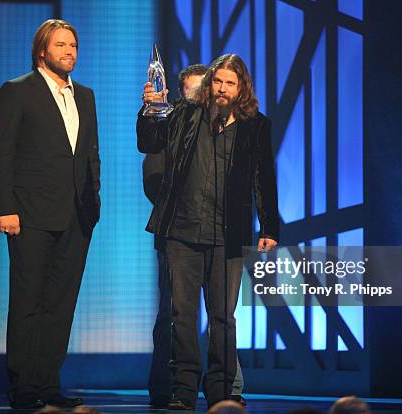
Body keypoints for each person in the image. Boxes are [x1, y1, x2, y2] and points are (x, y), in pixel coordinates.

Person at [137, 54, 279, 410]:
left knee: (223, 318)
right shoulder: (186, 114)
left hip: (228, 234)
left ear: (241, 88)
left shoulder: (256, 126)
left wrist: (270, 225)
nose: (222, 89)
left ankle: (222, 392)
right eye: (218, 82)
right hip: (182, 232)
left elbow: (264, 178)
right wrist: (149, 110)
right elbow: (149, 143)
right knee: (182, 316)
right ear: (210, 83)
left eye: (230, 84)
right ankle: (183, 391)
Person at [0, 19, 100, 410]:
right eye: (61, 45)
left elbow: (89, 155)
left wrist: (94, 201)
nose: (70, 51)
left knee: (61, 304)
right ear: (42, 51)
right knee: (27, 301)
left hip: (76, 217)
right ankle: (23, 388)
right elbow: (1, 152)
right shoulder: (18, 91)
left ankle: (48, 385)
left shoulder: (84, 95)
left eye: (73, 45)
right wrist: (5, 207)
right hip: (30, 214)